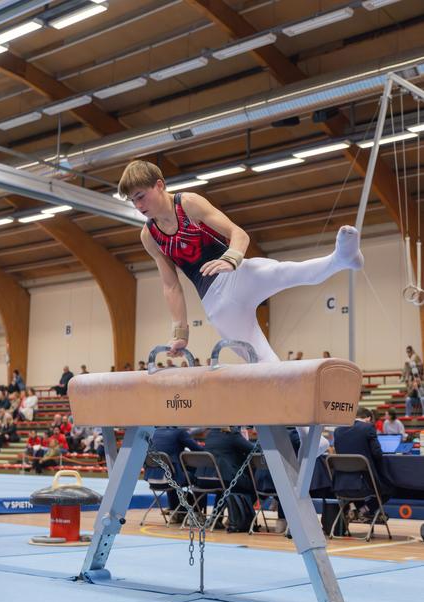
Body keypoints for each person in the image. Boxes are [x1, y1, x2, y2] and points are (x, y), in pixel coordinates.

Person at [118, 160, 364, 454]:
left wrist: (231, 260)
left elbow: (239, 234)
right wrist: (180, 332)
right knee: (269, 367)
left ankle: (340, 259)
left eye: (140, 196)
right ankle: (311, 434)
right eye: (132, 200)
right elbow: (171, 285)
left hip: (238, 273)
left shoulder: (189, 204)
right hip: (218, 305)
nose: (138, 205)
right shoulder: (149, 236)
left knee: (286, 272)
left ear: (159, 185)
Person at [334, 407, 393, 521]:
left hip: (342, 483)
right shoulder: (368, 428)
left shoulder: (338, 430)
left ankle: (355, 508)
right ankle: (364, 510)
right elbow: (377, 454)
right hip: (363, 482)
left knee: (357, 489)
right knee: (390, 488)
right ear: (368, 418)